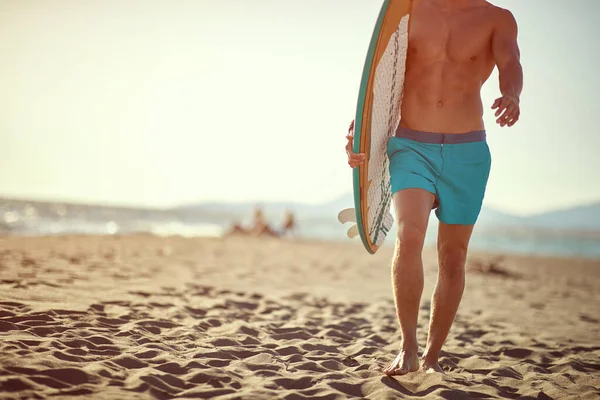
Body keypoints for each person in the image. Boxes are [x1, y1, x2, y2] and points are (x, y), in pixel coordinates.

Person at [345, 0, 523, 375]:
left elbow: (510, 64)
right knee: (409, 235)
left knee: (453, 257)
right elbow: (382, 76)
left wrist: (512, 95)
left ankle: (432, 356)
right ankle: (408, 347)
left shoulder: (497, 19)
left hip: (468, 152)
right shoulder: (408, 10)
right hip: (411, 144)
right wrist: (360, 129)